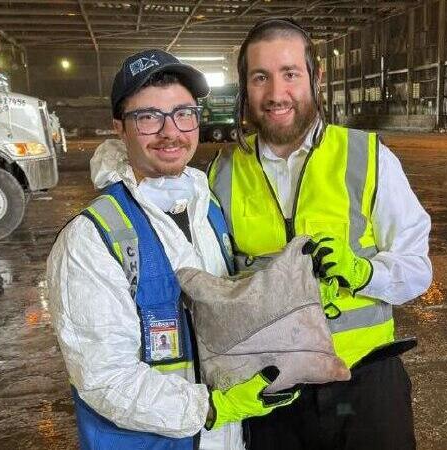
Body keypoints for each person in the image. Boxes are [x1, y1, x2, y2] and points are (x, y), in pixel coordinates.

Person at [47, 49, 296, 450]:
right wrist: (212, 408)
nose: (170, 132)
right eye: (148, 117)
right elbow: (104, 378)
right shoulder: (92, 238)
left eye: (183, 113)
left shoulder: (207, 207)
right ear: (119, 127)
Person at [207, 18, 433, 450]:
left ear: (315, 76)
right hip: (269, 394)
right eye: (261, 77)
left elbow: (417, 269)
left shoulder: (367, 157)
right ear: (245, 86)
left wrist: (363, 272)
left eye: (290, 73)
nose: (277, 94)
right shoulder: (221, 174)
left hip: (363, 385)